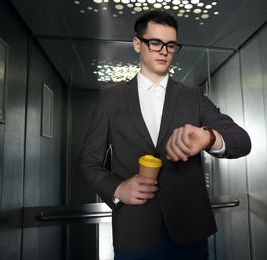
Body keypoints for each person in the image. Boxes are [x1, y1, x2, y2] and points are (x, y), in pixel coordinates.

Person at [76, 9, 251, 260]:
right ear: (138, 44)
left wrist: (209, 137)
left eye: (170, 45)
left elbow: (242, 141)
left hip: (189, 229)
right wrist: (117, 189)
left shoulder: (193, 96)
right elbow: (87, 162)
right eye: (155, 42)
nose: (164, 51)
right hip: (133, 232)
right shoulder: (110, 99)